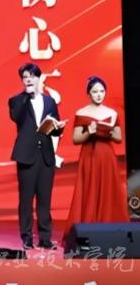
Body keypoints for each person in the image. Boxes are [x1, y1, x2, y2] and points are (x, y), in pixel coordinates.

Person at [8, 62, 66, 250]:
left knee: (44, 198)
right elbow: (16, 117)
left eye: (32, 76)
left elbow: (55, 128)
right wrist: (27, 96)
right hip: (26, 155)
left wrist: (58, 128)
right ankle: (26, 237)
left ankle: (45, 238)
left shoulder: (49, 102)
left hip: (45, 155)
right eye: (25, 77)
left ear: (39, 78)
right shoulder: (17, 101)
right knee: (26, 199)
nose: (29, 80)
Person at [64, 76, 127, 238]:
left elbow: (119, 138)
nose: (99, 95)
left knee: (108, 190)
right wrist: (89, 132)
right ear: (89, 93)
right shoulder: (81, 112)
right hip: (89, 155)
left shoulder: (112, 113)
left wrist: (110, 131)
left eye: (102, 91)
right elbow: (76, 139)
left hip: (106, 156)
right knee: (89, 190)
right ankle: (88, 229)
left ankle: (109, 229)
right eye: (95, 91)